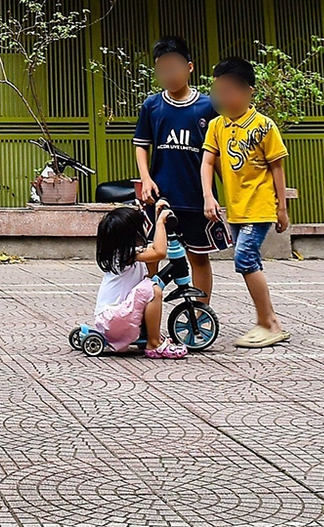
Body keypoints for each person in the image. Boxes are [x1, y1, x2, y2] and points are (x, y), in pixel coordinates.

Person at [200, 57, 290, 349]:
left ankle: (268, 323)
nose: (224, 96)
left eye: (230, 90)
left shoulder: (264, 126)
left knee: (245, 259)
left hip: (260, 207)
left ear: (248, 90)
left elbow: (277, 167)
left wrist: (282, 208)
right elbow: (207, 162)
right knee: (249, 261)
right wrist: (209, 196)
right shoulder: (217, 126)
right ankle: (270, 321)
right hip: (236, 209)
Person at [133, 35, 217, 303]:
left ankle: (201, 315)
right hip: (160, 196)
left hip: (194, 195)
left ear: (190, 67)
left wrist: (211, 195)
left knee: (198, 257)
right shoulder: (152, 105)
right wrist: (146, 179)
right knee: (153, 255)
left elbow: (216, 154)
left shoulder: (209, 106)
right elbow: (141, 145)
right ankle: (147, 313)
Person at [91, 202, 188, 359]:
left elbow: (153, 267)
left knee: (151, 286)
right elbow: (160, 252)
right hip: (114, 319)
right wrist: (160, 223)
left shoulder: (127, 253)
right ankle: (154, 344)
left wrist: (158, 216)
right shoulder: (125, 255)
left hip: (111, 320)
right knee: (153, 289)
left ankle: (150, 337)